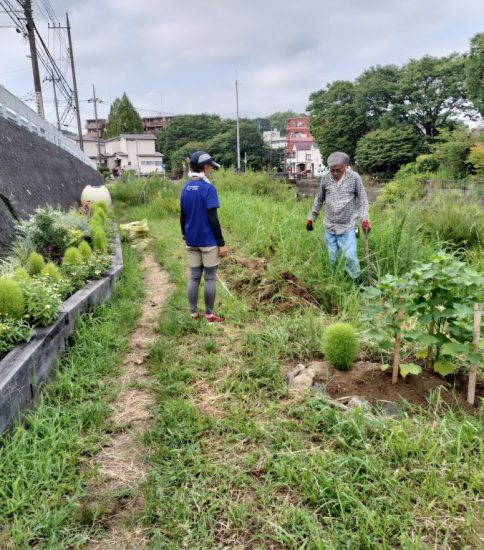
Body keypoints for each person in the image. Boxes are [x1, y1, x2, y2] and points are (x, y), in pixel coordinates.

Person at [306, 151, 371, 280]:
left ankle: (356, 282)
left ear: (346, 166)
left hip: (349, 226)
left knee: (350, 256)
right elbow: (319, 200)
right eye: (332, 170)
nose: (335, 173)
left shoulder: (354, 178)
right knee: (332, 258)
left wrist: (365, 220)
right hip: (330, 226)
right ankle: (335, 281)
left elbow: (363, 200)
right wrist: (311, 218)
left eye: (338, 170)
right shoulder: (326, 179)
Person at [180, 151, 228, 322]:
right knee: (209, 278)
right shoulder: (209, 189)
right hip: (208, 242)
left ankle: (193, 313)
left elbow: (183, 216)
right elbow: (213, 219)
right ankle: (209, 314)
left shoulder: (185, 188)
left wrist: (185, 234)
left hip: (191, 241)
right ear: (206, 167)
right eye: (210, 167)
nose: (211, 170)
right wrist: (221, 243)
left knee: (194, 277)